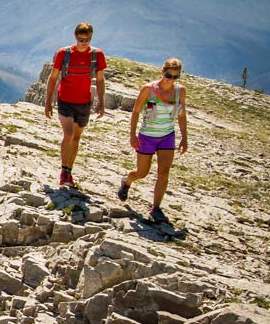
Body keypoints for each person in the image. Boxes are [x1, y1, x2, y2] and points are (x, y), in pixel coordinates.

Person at [117, 58, 189, 224]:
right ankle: (127, 181)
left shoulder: (180, 91)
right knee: (142, 173)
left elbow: (182, 115)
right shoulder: (148, 90)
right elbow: (135, 112)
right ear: (162, 71)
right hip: (147, 136)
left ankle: (156, 208)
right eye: (168, 75)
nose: (170, 79)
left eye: (175, 76)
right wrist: (132, 135)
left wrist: (184, 138)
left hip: (167, 136)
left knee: (164, 173)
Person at [44, 22, 107, 188]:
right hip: (65, 100)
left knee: (77, 137)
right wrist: (48, 102)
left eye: (87, 39)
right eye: (80, 39)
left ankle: (69, 171)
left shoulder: (97, 55)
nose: (83, 42)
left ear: (91, 37)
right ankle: (64, 172)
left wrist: (102, 102)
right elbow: (53, 77)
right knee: (69, 134)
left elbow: (100, 80)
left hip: (84, 102)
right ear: (75, 37)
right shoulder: (64, 54)